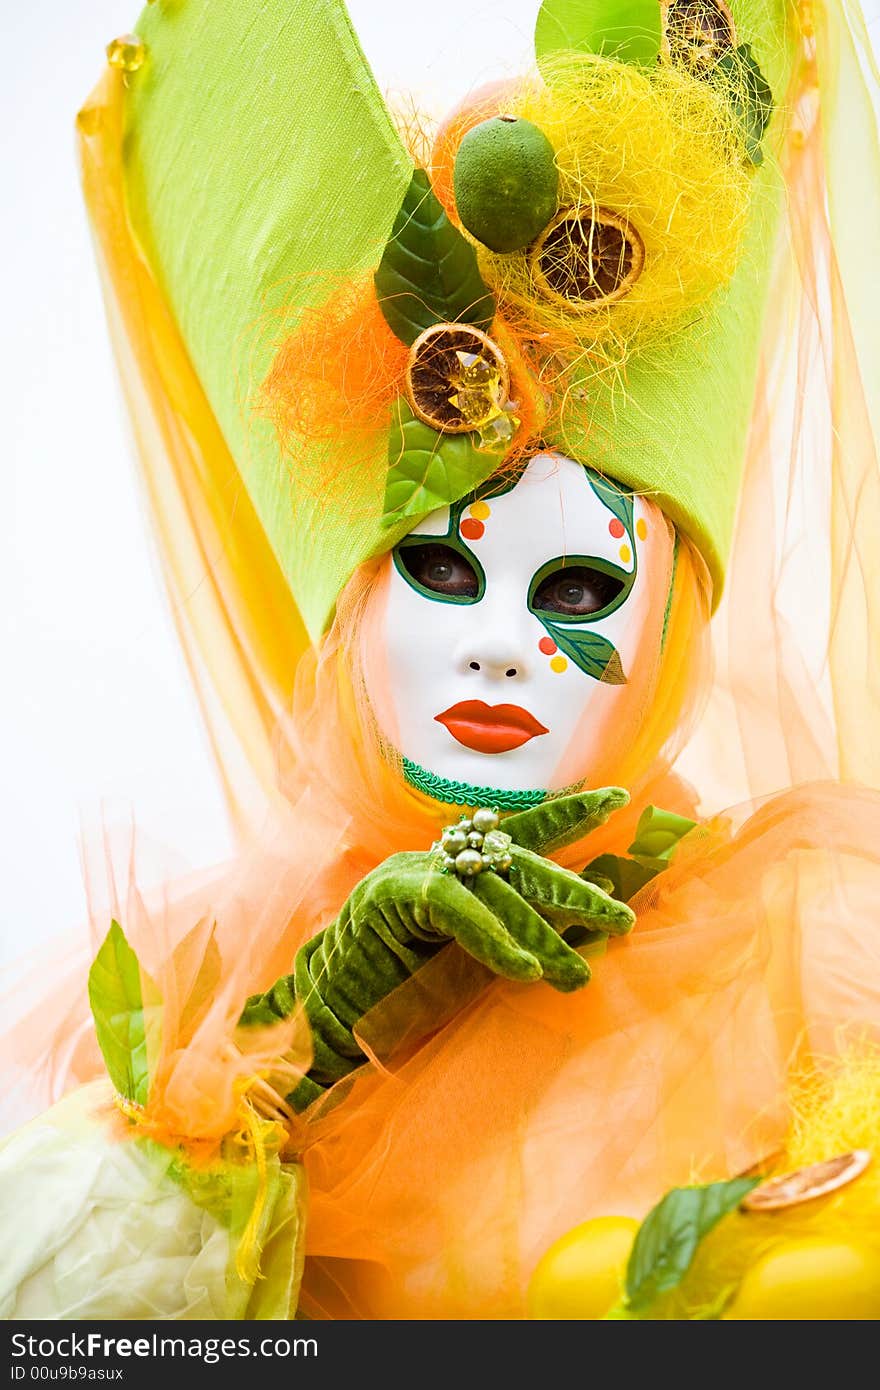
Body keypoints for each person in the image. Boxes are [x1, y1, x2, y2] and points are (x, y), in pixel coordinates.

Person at [2, 0, 880, 1321]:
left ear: (671, 623)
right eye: (438, 568)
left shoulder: (811, 945)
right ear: (351, 610)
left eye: (579, 584)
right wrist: (291, 1061)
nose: (500, 648)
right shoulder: (218, 996)